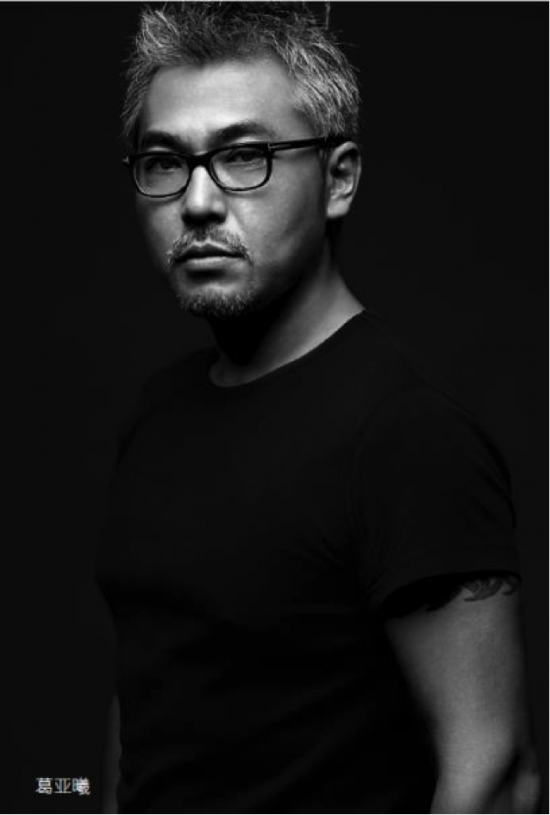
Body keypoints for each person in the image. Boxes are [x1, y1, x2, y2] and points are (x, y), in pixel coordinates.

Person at [95, 3, 541, 812]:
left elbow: (496, 776)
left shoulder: (406, 435)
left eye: (245, 156)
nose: (197, 201)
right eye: (164, 162)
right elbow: (154, 712)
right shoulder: (157, 414)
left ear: (339, 180)